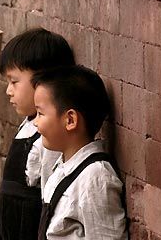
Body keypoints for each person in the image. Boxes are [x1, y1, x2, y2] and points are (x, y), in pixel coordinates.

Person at [0, 28, 75, 240]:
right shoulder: (28, 123)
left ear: (43, 82)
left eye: (14, 81)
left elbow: (48, 197)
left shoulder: (48, 135)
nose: (8, 90)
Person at [32, 65, 127, 239]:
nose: (35, 123)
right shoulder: (62, 166)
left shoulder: (95, 177)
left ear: (70, 120)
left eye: (40, 113)